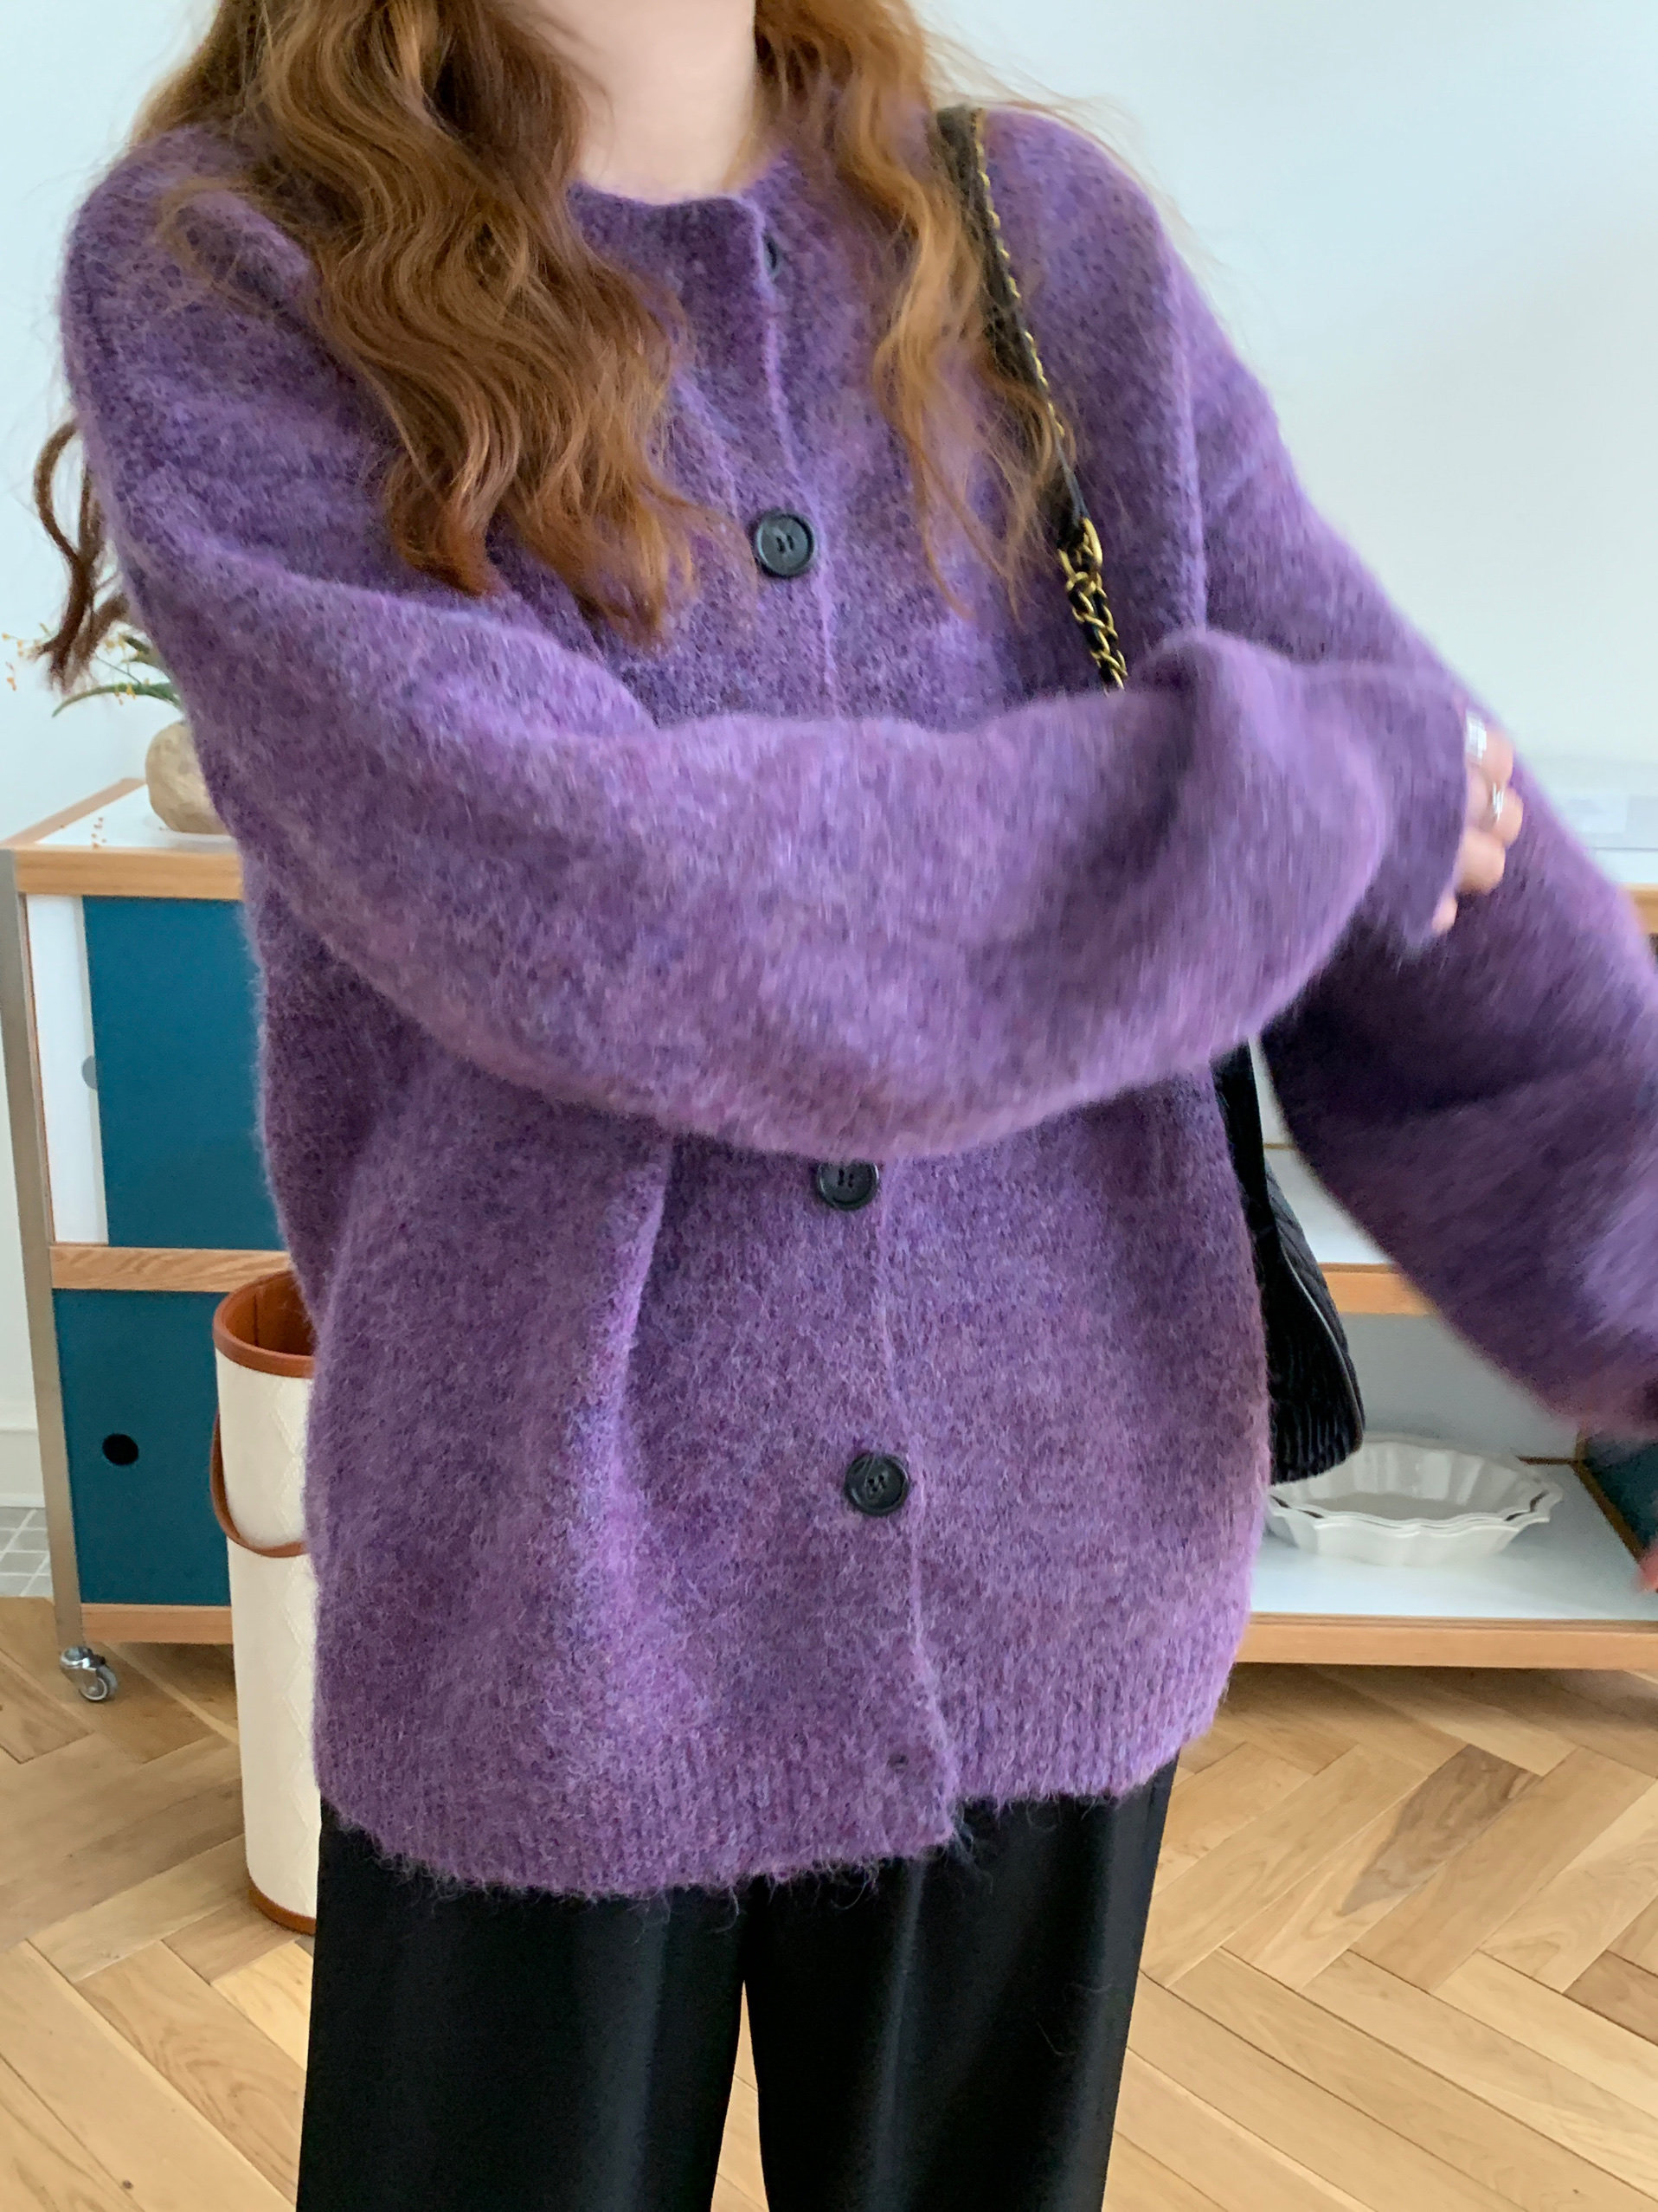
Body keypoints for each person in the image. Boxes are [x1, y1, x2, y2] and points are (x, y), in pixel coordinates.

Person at [40, 2, 1658, 2206]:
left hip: (1047, 1556)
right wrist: (1267, 792)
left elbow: (1444, 853)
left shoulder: (1034, 248)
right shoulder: (239, 268)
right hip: (549, 1599)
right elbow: (600, 905)